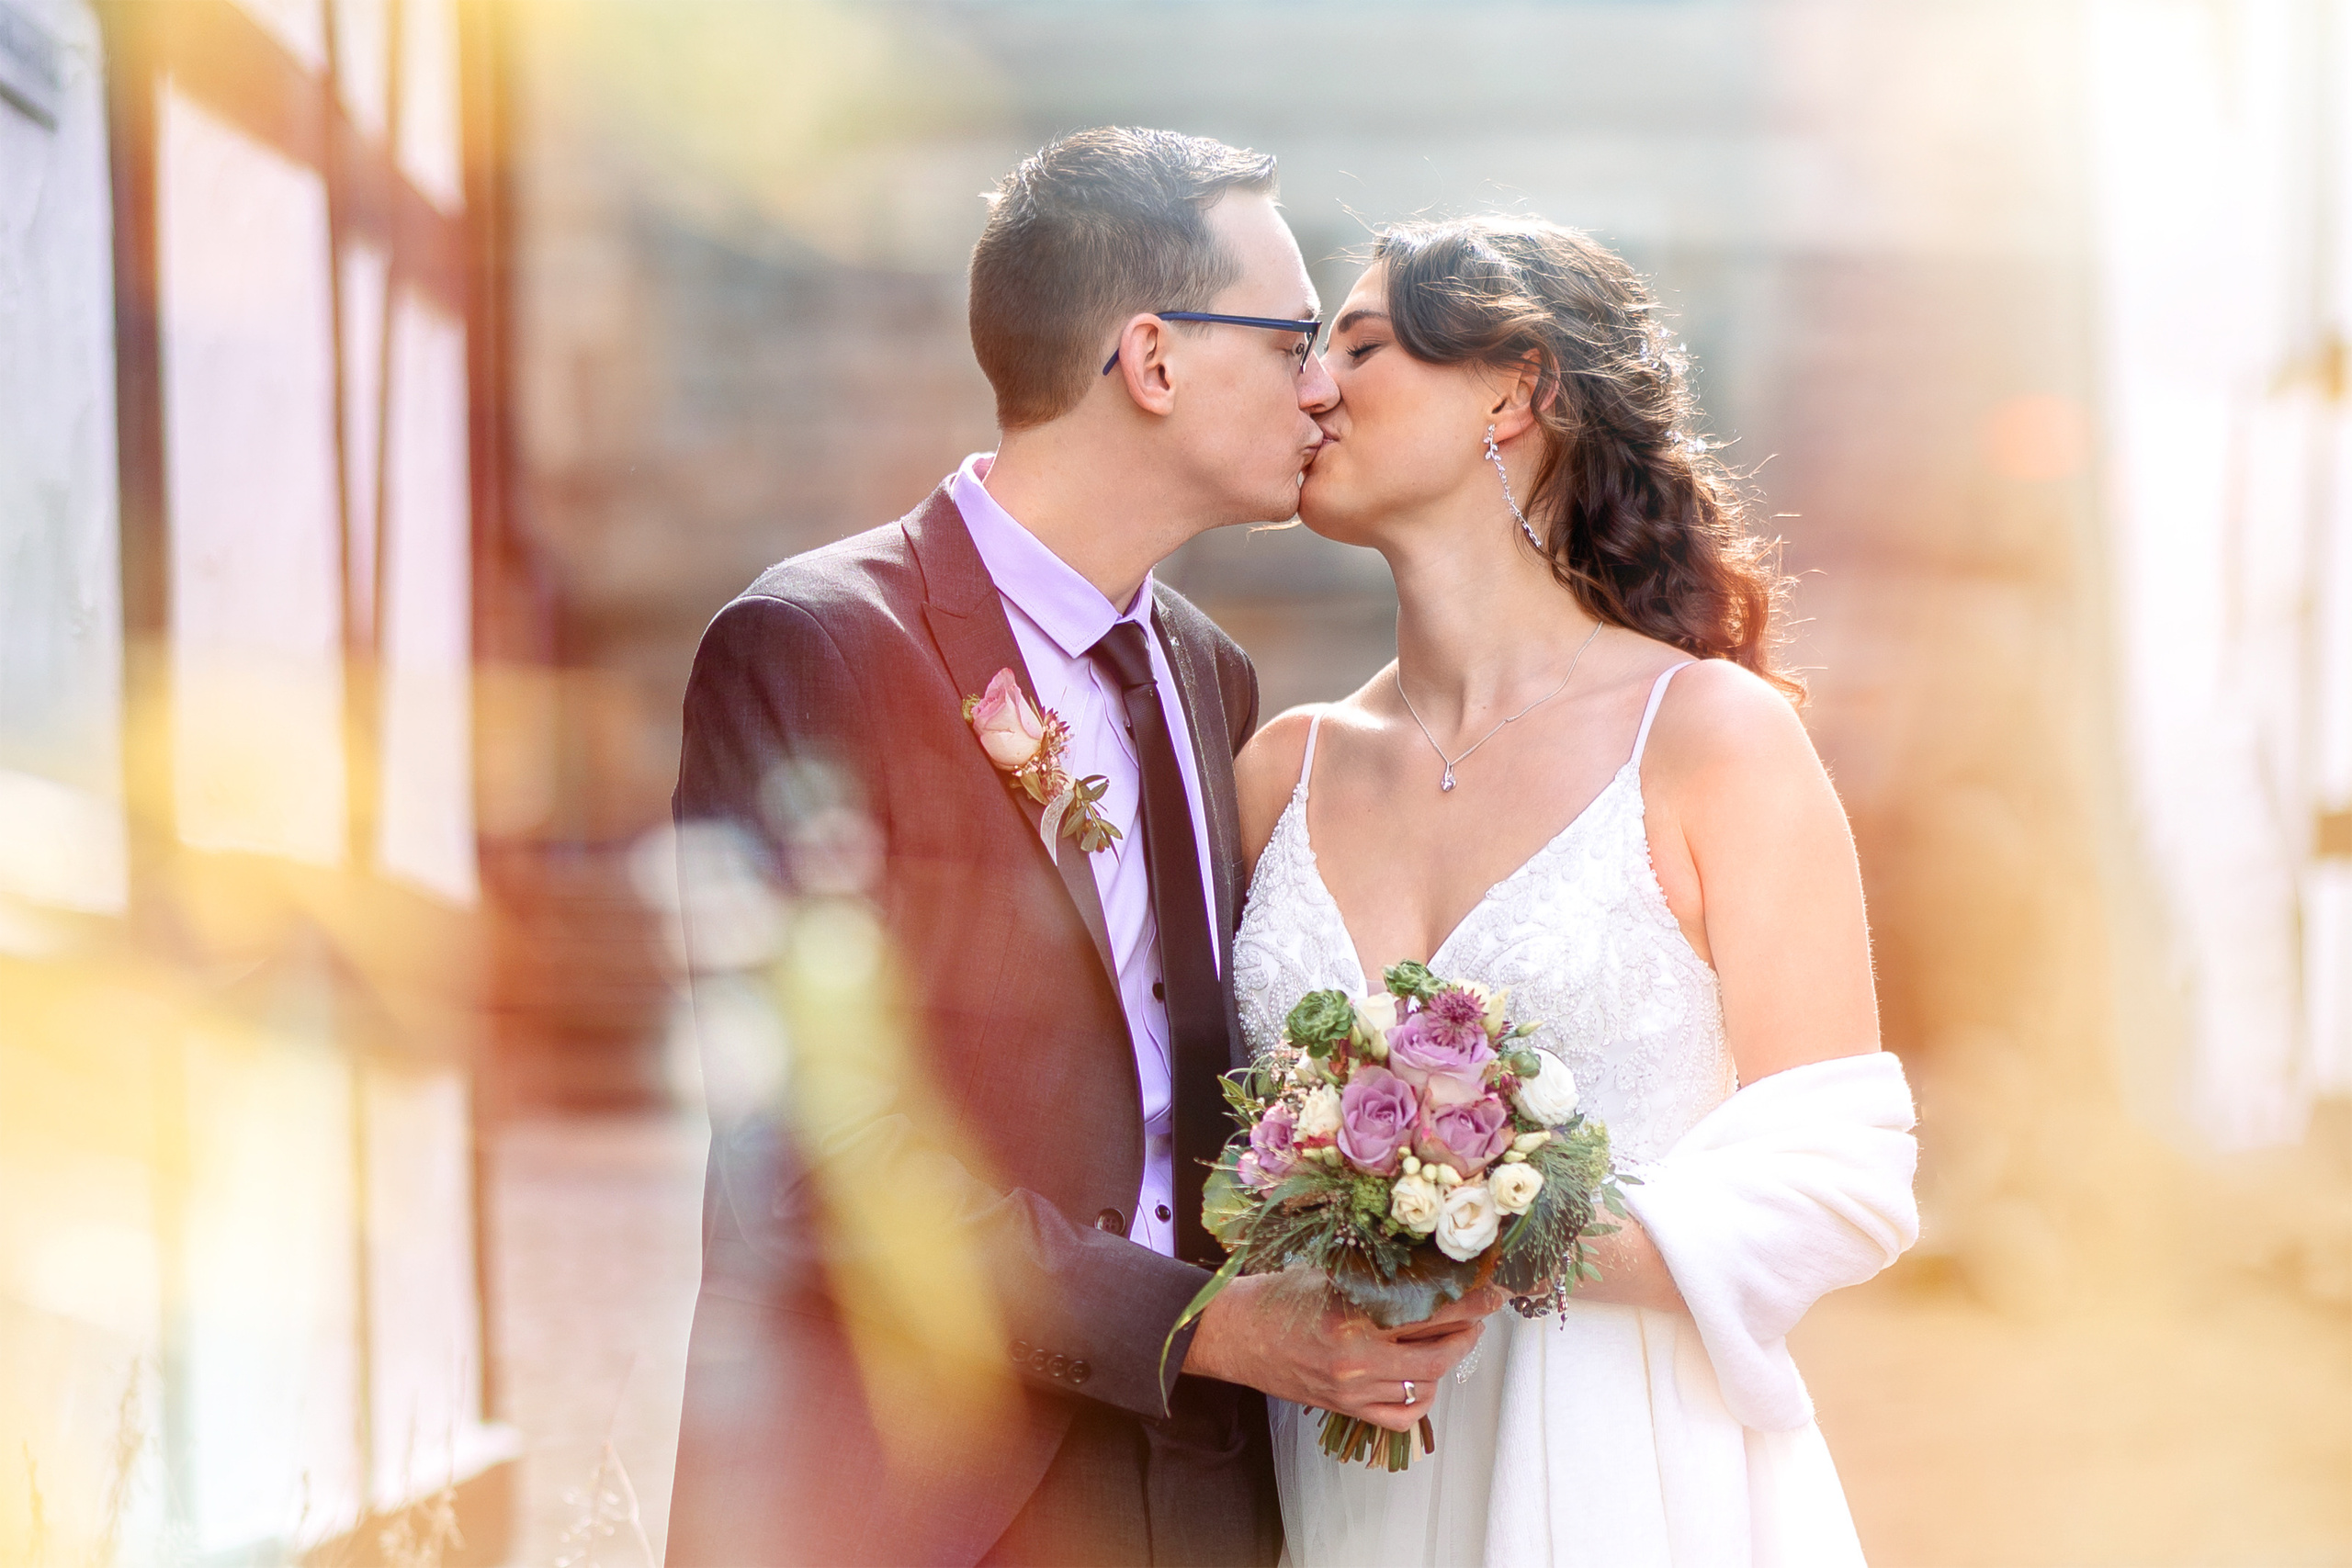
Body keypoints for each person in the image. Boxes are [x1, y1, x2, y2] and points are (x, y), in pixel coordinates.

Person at [664, 129, 1496, 1568]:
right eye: (1294, 334)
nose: (1321, 384)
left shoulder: (1205, 676)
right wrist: (1198, 1324)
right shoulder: (814, 650)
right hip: (917, 1493)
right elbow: (813, 1154)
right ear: (1155, 359)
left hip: (1201, 1488)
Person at [1230, 217, 1921, 1565]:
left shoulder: (1712, 738)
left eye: (1360, 347)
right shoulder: (1279, 771)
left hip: (1625, 1476)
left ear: (1514, 387)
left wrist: (1477, 1226)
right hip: (1334, 1475)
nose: (1310, 387)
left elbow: (1843, 1180)